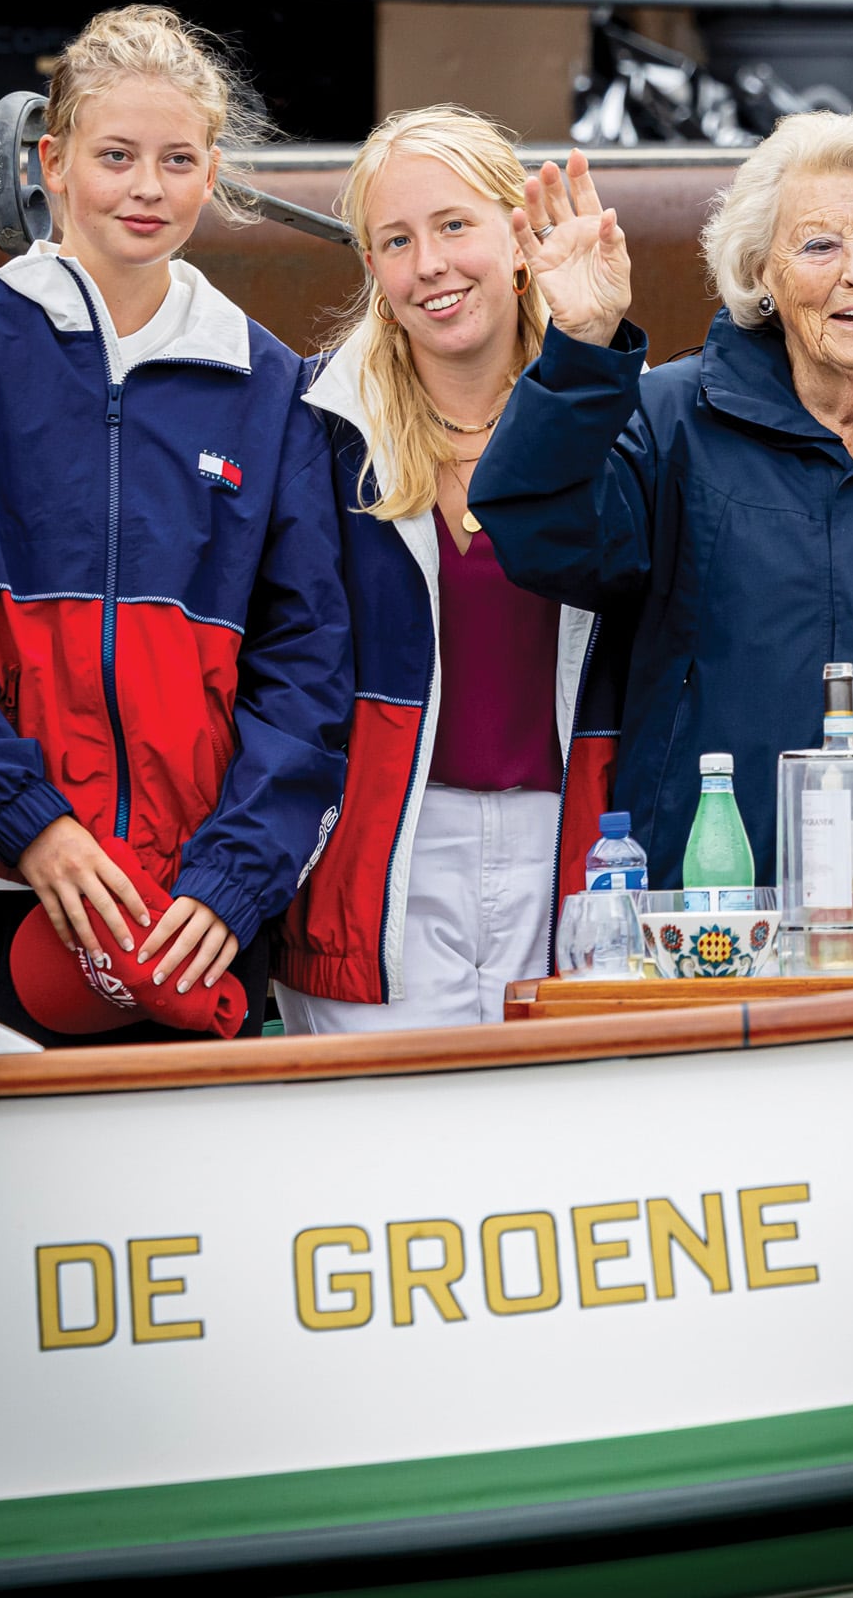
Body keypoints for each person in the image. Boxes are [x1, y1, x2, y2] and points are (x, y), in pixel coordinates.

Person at [0, 5, 351, 1049]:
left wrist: (233, 881)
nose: (148, 186)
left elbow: (309, 666)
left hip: (184, 920)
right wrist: (28, 820)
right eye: (116, 155)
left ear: (213, 171)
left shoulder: (269, 384)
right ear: (51, 162)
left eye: (178, 158)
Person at [469, 111, 853, 886]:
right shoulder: (672, 418)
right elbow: (544, 537)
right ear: (760, 273)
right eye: (818, 245)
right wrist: (579, 353)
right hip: (723, 892)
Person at [275, 107, 620, 1031]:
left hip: (575, 846)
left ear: (520, 237)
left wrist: (587, 354)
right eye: (395, 241)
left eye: (453, 225)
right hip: (381, 852)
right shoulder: (317, 429)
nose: (428, 263)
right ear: (376, 276)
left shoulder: (612, 412)